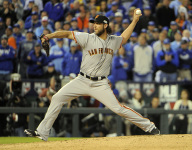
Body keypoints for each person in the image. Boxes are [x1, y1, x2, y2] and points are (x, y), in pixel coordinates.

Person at [25, 9, 160, 141]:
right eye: (93, 23)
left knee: (118, 108)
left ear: (105, 25)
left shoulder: (113, 41)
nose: (94, 25)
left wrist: (135, 21)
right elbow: (66, 34)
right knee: (57, 98)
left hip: (100, 84)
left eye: (97, 23)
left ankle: (149, 127)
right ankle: (42, 132)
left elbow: (124, 37)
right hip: (82, 79)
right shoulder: (87, 37)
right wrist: (49, 36)